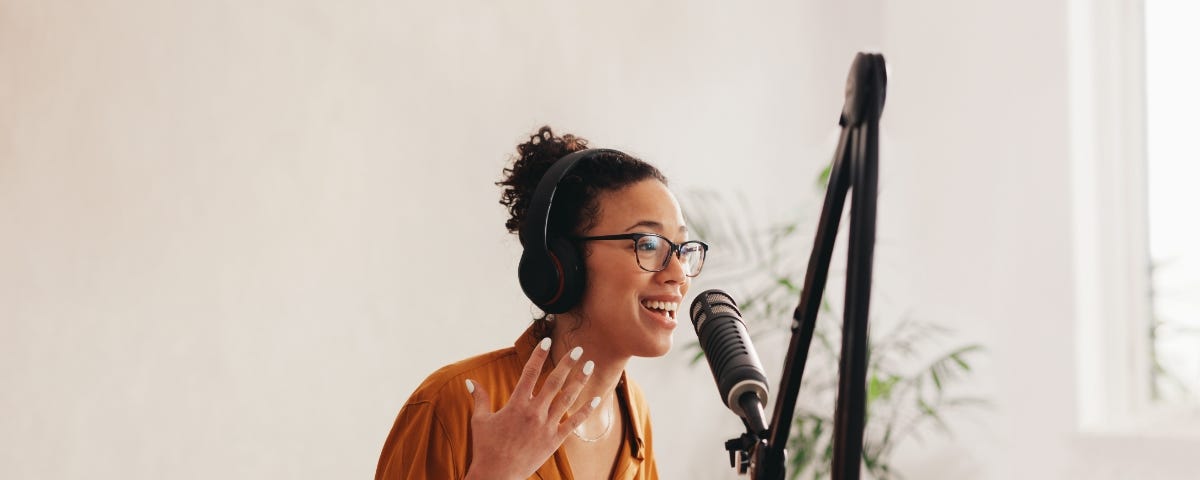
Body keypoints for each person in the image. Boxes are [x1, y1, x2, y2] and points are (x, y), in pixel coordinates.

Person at [375, 126, 708, 480]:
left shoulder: (633, 412)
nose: (678, 274)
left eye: (682, 249)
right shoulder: (453, 403)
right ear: (563, 264)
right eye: (648, 244)